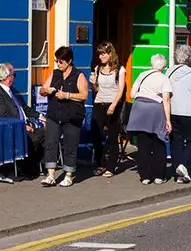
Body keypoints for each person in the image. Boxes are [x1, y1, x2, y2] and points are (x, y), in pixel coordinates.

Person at [39, 46, 89, 187]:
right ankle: (50, 175)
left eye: (61, 62)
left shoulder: (78, 75)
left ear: (69, 61)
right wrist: (46, 90)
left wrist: (67, 95)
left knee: (70, 146)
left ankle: (68, 175)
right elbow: (42, 90)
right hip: (54, 115)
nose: (58, 64)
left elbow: (84, 95)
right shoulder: (54, 74)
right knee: (51, 143)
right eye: (56, 61)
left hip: (72, 116)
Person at [0, 63, 44, 176]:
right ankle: (27, 169)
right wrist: (22, 126)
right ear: (8, 77)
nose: (14, 77)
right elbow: (2, 116)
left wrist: (41, 117)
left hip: (23, 125)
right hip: (12, 129)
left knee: (47, 133)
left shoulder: (13, 91)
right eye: (14, 75)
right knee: (34, 138)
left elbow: (25, 108)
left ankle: (41, 166)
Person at [125, 54, 173, 184]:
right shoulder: (164, 79)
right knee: (159, 143)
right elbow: (166, 100)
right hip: (155, 110)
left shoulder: (142, 75)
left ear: (151, 64)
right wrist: (168, 120)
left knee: (143, 144)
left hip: (139, 109)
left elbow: (132, 94)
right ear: (163, 66)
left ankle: (145, 176)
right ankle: (158, 176)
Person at [167, 45, 191, 183]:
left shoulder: (169, 72)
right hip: (189, 112)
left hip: (173, 111)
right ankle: (186, 166)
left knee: (176, 141)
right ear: (189, 58)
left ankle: (179, 171)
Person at [88, 42, 125, 177]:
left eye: (103, 54)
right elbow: (97, 90)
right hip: (99, 103)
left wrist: (114, 105)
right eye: (99, 54)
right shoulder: (98, 68)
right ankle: (101, 163)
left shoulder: (119, 69)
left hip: (113, 104)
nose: (100, 56)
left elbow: (120, 89)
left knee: (113, 136)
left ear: (110, 54)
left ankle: (111, 166)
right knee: (96, 135)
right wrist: (93, 84)